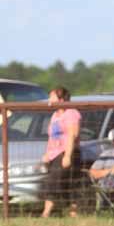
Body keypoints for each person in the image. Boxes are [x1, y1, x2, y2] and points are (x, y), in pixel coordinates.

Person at [41, 87, 81, 218]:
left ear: (61, 99)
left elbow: (72, 135)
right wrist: (47, 153)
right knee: (59, 182)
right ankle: (68, 212)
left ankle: (47, 213)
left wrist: (67, 156)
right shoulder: (55, 115)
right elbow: (51, 136)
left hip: (66, 152)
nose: (49, 100)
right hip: (55, 153)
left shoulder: (71, 113)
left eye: (52, 97)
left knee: (58, 181)